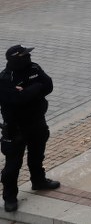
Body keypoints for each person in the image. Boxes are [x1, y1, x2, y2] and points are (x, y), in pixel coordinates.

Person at [0, 45, 60, 214]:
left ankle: (38, 180)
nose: (29, 57)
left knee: (37, 155)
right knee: (12, 166)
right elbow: (17, 99)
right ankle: (10, 197)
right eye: (25, 55)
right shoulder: (5, 79)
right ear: (16, 59)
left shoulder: (34, 67)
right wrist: (35, 88)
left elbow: (48, 85)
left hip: (37, 122)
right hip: (15, 129)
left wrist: (28, 91)